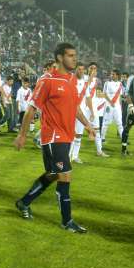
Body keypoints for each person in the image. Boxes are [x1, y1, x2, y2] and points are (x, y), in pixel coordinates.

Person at [14, 43, 94, 233]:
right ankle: (67, 221)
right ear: (59, 58)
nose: (74, 59)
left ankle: (24, 202)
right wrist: (22, 135)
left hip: (66, 136)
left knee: (52, 174)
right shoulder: (47, 80)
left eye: (75, 55)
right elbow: (31, 109)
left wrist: (88, 125)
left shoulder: (72, 80)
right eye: (70, 56)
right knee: (65, 175)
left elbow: (75, 108)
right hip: (52, 136)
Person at [70, 62, 97, 164]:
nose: (81, 71)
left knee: (79, 135)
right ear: (75, 69)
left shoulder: (85, 82)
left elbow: (88, 97)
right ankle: (67, 156)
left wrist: (91, 112)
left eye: (82, 69)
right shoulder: (70, 79)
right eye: (79, 69)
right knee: (70, 135)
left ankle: (75, 156)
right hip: (71, 111)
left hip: (82, 112)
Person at [100, 69, 124, 153]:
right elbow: (104, 94)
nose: (111, 76)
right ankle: (102, 138)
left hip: (117, 106)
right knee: (106, 123)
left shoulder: (120, 84)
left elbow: (120, 97)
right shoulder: (107, 83)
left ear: (117, 75)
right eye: (111, 74)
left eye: (113, 74)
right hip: (109, 106)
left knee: (119, 123)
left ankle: (123, 138)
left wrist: (120, 106)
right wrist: (110, 102)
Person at [92, 86, 110, 157]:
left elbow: (107, 108)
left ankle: (99, 150)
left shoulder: (104, 99)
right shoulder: (94, 99)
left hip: (100, 117)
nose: (99, 93)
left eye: (100, 92)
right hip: (94, 117)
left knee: (98, 131)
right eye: (97, 92)